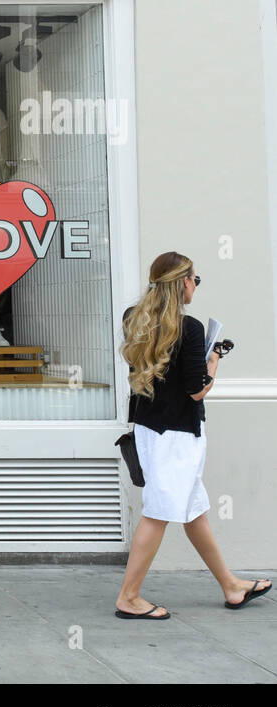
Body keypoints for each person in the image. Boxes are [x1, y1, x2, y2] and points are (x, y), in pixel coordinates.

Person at [114, 251, 271, 619]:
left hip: (151, 431)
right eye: (195, 280)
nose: (195, 287)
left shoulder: (132, 319)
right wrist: (214, 358)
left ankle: (231, 586)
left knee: (193, 511)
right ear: (183, 282)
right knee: (158, 514)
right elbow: (197, 390)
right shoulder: (191, 328)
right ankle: (129, 597)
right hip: (179, 437)